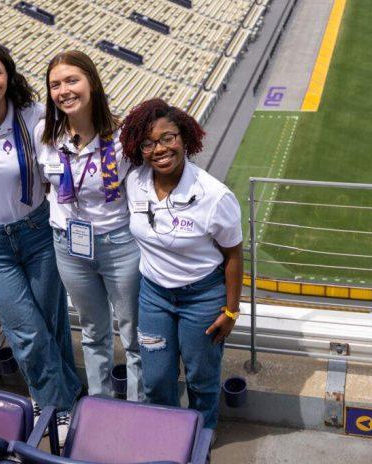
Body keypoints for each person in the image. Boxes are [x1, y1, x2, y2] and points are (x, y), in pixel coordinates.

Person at [0, 40, 82, 413]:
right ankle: (58, 405)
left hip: (37, 231)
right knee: (25, 331)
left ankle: (58, 397)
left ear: (9, 75)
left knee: (49, 322)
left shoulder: (35, 115)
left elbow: (83, 127)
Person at [120, 98, 243, 429]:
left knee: (201, 378)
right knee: (156, 379)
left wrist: (231, 310)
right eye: (148, 142)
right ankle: (170, 434)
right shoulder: (134, 182)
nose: (159, 149)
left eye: (167, 138)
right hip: (154, 295)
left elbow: (233, 254)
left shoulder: (215, 196)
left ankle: (203, 433)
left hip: (202, 297)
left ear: (185, 138)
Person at [39, 51, 141, 400]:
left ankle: (139, 409)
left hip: (119, 244)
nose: (63, 90)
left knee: (134, 334)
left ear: (92, 83)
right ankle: (100, 405)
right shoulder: (46, 134)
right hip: (69, 245)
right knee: (93, 331)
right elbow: (45, 185)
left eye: (72, 80)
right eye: (55, 84)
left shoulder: (123, 136)